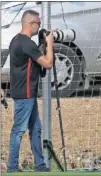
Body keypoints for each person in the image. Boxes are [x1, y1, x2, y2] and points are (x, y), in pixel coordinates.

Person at [7, 10, 54, 172]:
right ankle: (12, 166)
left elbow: (33, 63)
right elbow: (47, 64)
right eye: (39, 24)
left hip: (25, 92)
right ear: (31, 24)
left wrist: (42, 46)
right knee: (19, 129)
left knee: (36, 128)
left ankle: (40, 164)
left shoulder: (16, 40)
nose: (39, 27)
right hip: (25, 93)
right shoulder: (27, 43)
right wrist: (50, 44)